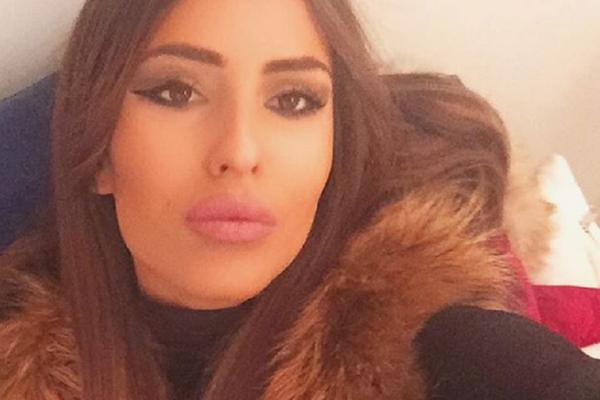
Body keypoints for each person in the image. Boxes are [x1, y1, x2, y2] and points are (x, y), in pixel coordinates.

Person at [0, 1, 598, 399]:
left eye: (293, 101)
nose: (240, 150)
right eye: (176, 91)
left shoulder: (443, 344)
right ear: (98, 152)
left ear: (334, 151)